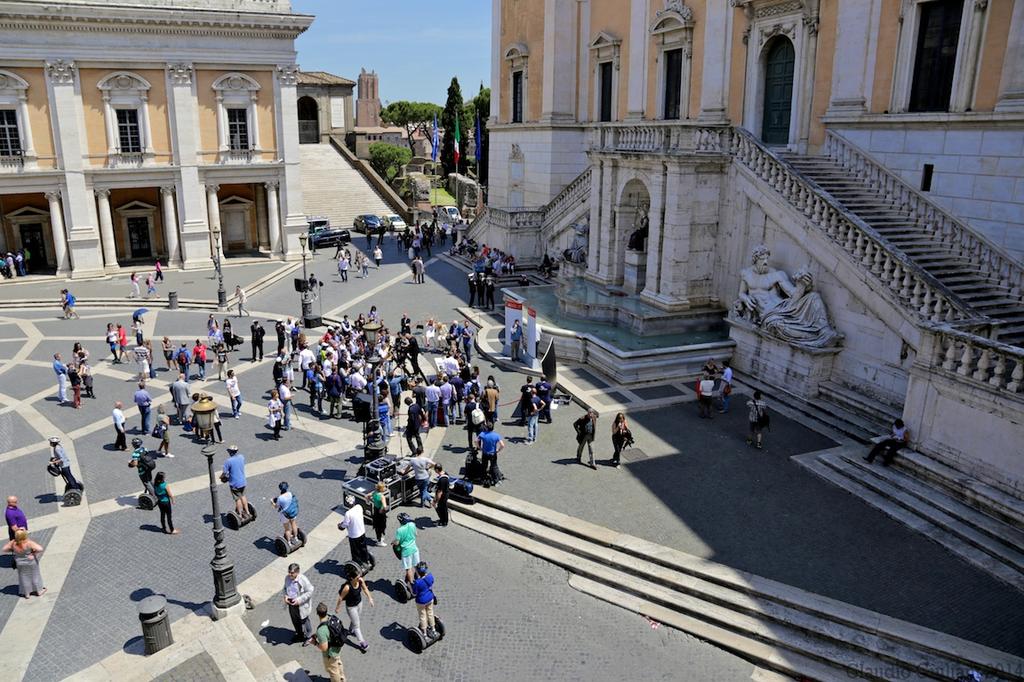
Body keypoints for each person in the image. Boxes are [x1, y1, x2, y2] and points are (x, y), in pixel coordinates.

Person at [335, 563, 373, 653]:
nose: (359, 576)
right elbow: (340, 597)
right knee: (357, 625)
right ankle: (362, 643)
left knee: (355, 619)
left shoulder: (360, 580)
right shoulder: (347, 587)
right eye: (357, 576)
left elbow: (365, 589)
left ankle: (351, 630)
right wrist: (337, 608)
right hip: (351, 607)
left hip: (359, 603)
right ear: (352, 578)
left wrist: (370, 598)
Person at [2, 530, 45, 598]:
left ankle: (27, 594)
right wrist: (33, 553)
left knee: (23, 577)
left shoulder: (13, 542)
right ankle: (39, 591)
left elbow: (4, 549)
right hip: (30, 562)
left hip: (19, 562)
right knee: (35, 576)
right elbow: (40, 549)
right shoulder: (28, 542)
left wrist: (13, 550)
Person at [313, 602, 346, 682]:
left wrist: (315, 643)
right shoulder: (331, 617)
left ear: (317, 613)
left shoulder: (321, 630)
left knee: (333, 671)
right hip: (337, 647)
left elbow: (324, 648)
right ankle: (342, 678)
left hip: (330, 654)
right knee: (338, 663)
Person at [283, 563, 315, 643]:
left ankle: (308, 637)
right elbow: (284, 588)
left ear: (297, 572)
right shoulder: (287, 578)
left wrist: (299, 600)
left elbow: (310, 591)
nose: (290, 574)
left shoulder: (303, 580)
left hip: (301, 605)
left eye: (292, 573)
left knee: (304, 620)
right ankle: (299, 634)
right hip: (291, 604)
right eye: (289, 572)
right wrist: (285, 596)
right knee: (295, 620)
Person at [339, 495, 373, 567]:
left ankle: (359, 564)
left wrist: (340, 526)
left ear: (347, 503)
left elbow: (345, 524)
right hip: (362, 532)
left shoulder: (348, 513)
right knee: (363, 547)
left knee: (355, 551)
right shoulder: (359, 507)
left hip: (353, 535)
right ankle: (366, 560)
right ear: (354, 501)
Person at [221, 445, 250, 519]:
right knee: (243, 496)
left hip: (234, 483)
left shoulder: (228, 461)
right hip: (243, 481)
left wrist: (221, 477)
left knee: (237, 499)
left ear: (230, 452)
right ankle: (247, 512)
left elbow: (224, 473)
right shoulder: (241, 457)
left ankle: (240, 514)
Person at [410, 561, 437, 638]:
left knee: (422, 616)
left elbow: (414, 593)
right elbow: (431, 583)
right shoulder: (430, 576)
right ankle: (433, 629)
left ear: (418, 572)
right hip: (430, 598)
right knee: (430, 613)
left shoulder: (417, 582)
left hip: (421, 601)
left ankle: (424, 633)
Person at [393, 512, 420, 584]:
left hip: (406, 551)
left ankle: (411, 584)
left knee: (408, 568)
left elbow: (397, 543)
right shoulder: (412, 524)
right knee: (417, 566)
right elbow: (416, 534)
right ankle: (420, 580)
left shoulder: (399, 530)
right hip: (415, 549)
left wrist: (393, 542)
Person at [476, 422, 505, 487]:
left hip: (485, 453)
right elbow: (502, 445)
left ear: (486, 428)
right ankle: (496, 480)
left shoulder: (483, 434)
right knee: (494, 466)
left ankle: (483, 478)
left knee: (484, 466)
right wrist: (498, 450)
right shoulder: (496, 435)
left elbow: (476, 441)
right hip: (493, 454)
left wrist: (479, 447)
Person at [273, 481, 300, 546]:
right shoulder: (290, 493)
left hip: (285, 515)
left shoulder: (280, 498)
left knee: (287, 529)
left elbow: (276, 506)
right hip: (292, 512)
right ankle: (296, 538)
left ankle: (289, 542)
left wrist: (272, 502)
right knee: (294, 524)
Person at [369, 481, 388, 546]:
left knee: (376, 525)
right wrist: (382, 509)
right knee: (382, 526)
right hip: (380, 513)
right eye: (384, 487)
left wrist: (370, 501)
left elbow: (367, 496)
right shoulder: (382, 496)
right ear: (381, 489)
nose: (385, 488)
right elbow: (385, 507)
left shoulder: (374, 492)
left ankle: (379, 538)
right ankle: (380, 541)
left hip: (375, 510)